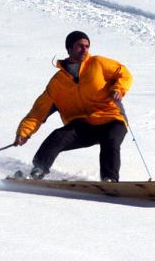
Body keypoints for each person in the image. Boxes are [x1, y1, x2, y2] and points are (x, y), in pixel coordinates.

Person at [14, 31, 132, 182]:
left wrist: (118, 88)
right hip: (83, 126)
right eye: (80, 46)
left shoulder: (98, 63)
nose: (84, 49)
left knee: (111, 141)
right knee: (57, 136)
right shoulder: (57, 84)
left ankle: (110, 180)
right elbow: (37, 113)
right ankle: (38, 171)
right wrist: (24, 132)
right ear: (69, 48)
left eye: (87, 46)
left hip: (111, 119)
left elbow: (124, 73)